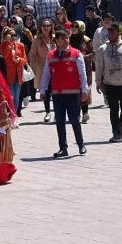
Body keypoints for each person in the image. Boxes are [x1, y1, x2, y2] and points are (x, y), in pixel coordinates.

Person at [40, 29, 89, 157]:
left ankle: (81, 144)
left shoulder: (76, 54)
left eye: (67, 38)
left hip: (72, 94)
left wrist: (84, 90)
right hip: (57, 94)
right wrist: (43, 89)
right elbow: (46, 74)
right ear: (56, 41)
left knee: (74, 120)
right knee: (60, 122)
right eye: (62, 38)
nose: (66, 40)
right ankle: (63, 147)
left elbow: (82, 74)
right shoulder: (51, 55)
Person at [95, 24, 122, 143]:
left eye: (113, 33)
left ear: (119, 33)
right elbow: (99, 67)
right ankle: (116, 132)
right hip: (109, 84)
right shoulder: (102, 49)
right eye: (109, 33)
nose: (111, 35)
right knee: (113, 110)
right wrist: (98, 81)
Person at [0, 28, 27, 120]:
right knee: (11, 96)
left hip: (18, 75)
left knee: (16, 98)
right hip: (8, 75)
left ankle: (13, 116)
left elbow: (25, 59)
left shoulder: (20, 45)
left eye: (15, 35)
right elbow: (5, 55)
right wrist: (8, 43)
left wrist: (19, 60)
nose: (14, 37)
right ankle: (9, 115)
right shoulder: (2, 46)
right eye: (11, 35)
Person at [30, 19, 55, 121]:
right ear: (40, 27)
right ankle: (47, 112)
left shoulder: (55, 38)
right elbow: (32, 54)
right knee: (45, 91)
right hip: (42, 69)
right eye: (44, 26)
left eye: (48, 26)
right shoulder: (37, 40)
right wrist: (33, 69)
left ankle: (57, 112)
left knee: (56, 92)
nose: (46, 28)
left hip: (55, 69)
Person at [69, 21, 94, 123]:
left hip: (85, 67)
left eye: (76, 26)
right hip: (71, 67)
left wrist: (83, 57)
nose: (74, 28)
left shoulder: (87, 40)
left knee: (85, 88)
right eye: (72, 26)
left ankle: (85, 112)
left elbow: (93, 53)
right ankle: (76, 114)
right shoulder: (68, 39)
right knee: (74, 88)